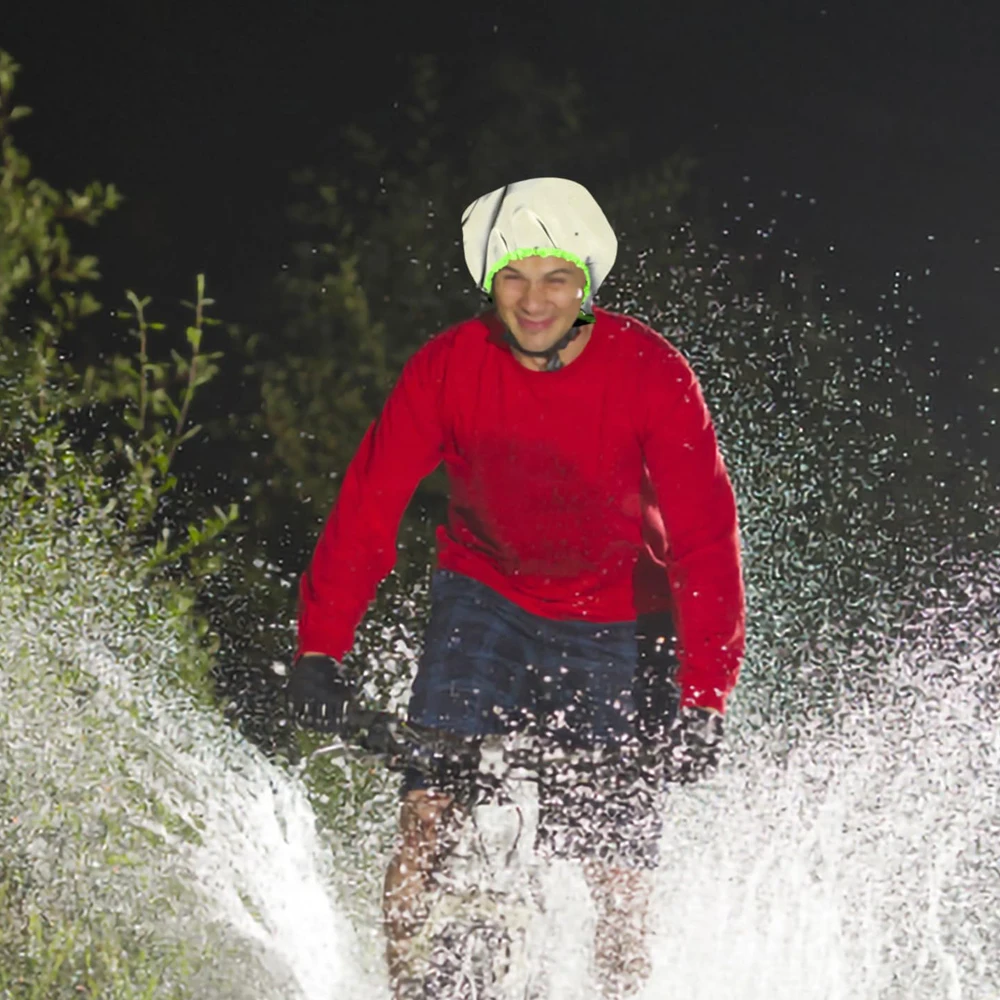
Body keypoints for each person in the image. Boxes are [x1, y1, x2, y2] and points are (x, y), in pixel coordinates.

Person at [288, 177, 746, 999]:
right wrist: (321, 646)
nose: (533, 302)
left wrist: (704, 697)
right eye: (513, 278)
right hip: (485, 596)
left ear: (588, 287)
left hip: (623, 620)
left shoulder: (652, 372)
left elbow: (707, 541)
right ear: (489, 284)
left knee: (619, 881)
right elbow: (367, 506)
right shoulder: (448, 368)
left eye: (556, 279)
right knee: (427, 817)